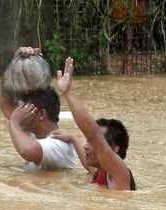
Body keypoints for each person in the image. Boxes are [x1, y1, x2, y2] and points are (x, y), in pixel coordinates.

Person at [54, 57, 136, 190]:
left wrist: (67, 93)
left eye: (93, 143)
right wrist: (73, 139)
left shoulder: (119, 172)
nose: (86, 146)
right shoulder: (100, 171)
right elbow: (88, 163)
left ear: (114, 148)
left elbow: (93, 134)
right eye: (87, 141)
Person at [0, 46, 77, 171]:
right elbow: (6, 104)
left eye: (25, 107)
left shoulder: (58, 143)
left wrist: (14, 122)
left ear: (41, 114)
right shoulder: (35, 135)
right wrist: (16, 64)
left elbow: (26, 150)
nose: (20, 110)